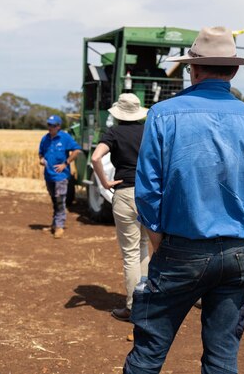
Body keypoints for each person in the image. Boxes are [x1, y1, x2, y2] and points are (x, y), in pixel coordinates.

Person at [124, 26, 244, 374]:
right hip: (240, 253)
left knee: (148, 356)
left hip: (181, 249)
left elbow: (148, 191)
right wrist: (242, 235)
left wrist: (158, 238)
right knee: (222, 357)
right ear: (235, 69)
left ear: (192, 68)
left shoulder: (163, 115)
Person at [90, 93, 149, 322]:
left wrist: (104, 182)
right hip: (148, 194)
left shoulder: (113, 132)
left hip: (124, 193)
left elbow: (96, 158)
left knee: (131, 254)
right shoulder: (147, 131)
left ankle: (133, 307)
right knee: (145, 246)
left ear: (118, 113)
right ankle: (147, 303)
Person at [38, 115, 81, 239]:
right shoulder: (45, 139)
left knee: (60, 201)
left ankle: (59, 226)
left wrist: (65, 164)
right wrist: (41, 159)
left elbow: (76, 150)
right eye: (48, 125)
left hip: (61, 176)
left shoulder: (65, 137)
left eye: (52, 125)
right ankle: (54, 223)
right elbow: (40, 153)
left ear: (58, 126)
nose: (50, 128)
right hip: (48, 175)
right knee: (54, 200)